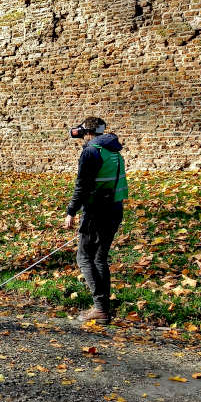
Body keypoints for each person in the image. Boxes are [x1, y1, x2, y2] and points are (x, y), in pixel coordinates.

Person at [63, 117, 128, 323]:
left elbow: (81, 185)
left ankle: (100, 309)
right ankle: (103, 309)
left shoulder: (91, 151)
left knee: (84, 258)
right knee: (99, 259)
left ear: (86, 132)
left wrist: (71, 212)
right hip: (115, 209)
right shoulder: (114, 151)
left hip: (97, 212)